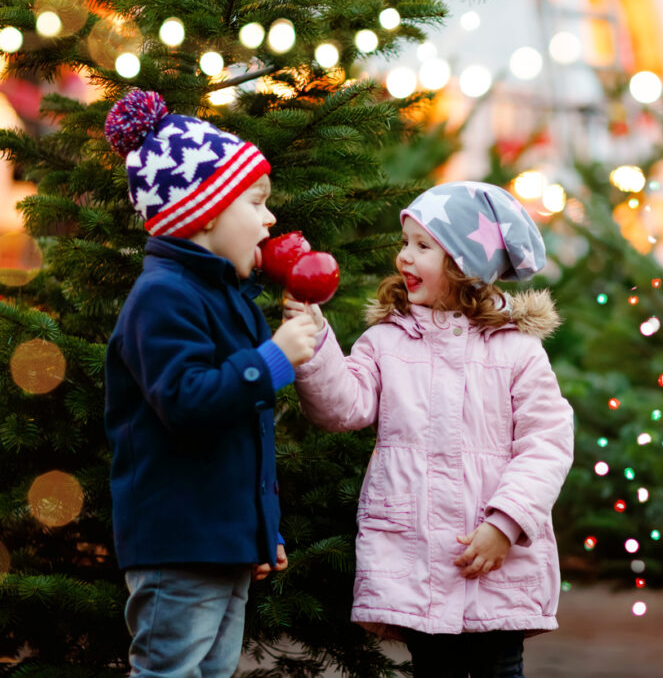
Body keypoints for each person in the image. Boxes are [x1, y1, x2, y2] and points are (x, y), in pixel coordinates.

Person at [285, 181, 574, 677]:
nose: (404, 258)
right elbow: (342, 407)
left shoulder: (517, 351)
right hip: (418, 559)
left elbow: (546, 442)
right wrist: (312, 336)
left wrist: (505, 524)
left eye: (423, 246)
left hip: (495, 560)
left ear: (465, 264)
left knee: (499, 667)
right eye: (404, 243)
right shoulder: (386, 340)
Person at [102, 89, 318, 678]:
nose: (271, 220)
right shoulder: (162, 297)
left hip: (220, 542)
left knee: (212, 672)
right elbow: (186, 401)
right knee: (171, 670)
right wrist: (273, 360)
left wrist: (258, 531)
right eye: (256, 202)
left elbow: (244, 435)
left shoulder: (227, 296)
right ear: (206, 210)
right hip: (178, 544)